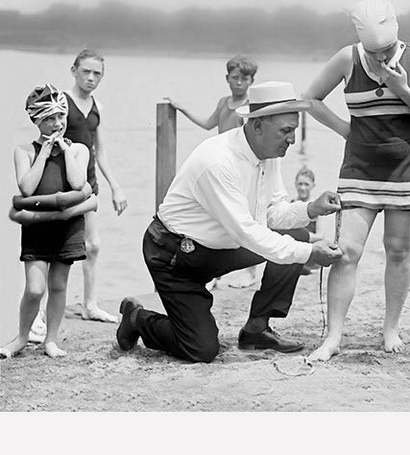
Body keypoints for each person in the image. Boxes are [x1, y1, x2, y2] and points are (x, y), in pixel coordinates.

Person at [115, 81, 343, 363]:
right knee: (201, 350)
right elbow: (248, 232)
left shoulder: (268, 152)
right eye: (286, 131)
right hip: (175, 256)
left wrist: (311, 209)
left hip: (220, 248)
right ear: (257, 125)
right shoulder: (217, 162)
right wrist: (311, 253)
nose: (292, 139)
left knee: (296, 237)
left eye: (294, 130)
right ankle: (137, 318)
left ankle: (256, 330)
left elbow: (271, 213)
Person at [302, 0, 410, 361]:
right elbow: (311, 99)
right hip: (360, 170)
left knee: (398, 251)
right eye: (374, 51)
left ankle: (390, 328)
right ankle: (333, 337)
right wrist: (346, 130)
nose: (381, 58)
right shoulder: (347, 58)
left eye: (386, 50)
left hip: (407, 169)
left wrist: (402, 89)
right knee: (346, 253)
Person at [1, 85, 97, 359]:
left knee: (58, 286)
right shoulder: (24, 151)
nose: (57, 124)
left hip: (68, 228)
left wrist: (64, 150)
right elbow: (27, 189)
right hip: (37, 226)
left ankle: (51, 340)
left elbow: (79, 182)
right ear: (36, 120)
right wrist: (44, 152)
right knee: (34, 288)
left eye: (60, 117)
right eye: (49, 119)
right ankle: (21, 337)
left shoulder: (78, 149)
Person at [166, 55, 260, 290]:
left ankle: (250, 272)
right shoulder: (223, 102)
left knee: (245, 216)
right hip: (221, 166)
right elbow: (208, 124)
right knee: (216, 218)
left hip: (241, 167)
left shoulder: (250, 107)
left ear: (251, 81)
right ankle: (214, 273)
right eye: (235, 78)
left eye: (244, 79)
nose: (239, 83)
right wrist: (182, 108)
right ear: (227, 78)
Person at [63, 49, 128, 323]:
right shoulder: (61, 103)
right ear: (74, 70)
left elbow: (99, 151)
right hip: (63, 185)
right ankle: (41, 313)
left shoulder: (97, 107)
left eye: (97, 73)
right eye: (86, 71)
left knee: (94, 245)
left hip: (89, 185)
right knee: (56, 250)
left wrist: (116, 187)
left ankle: (90, 305)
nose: (91, 78)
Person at [292, 166, 324, 274]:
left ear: (313, 186)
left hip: (309, 254)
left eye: (306, 184)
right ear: (295, 184)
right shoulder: (290, 205)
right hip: (293, 251)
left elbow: (320, 236)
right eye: (300, 184)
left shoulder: (318, 207)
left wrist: (299, 235)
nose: (302, 188)